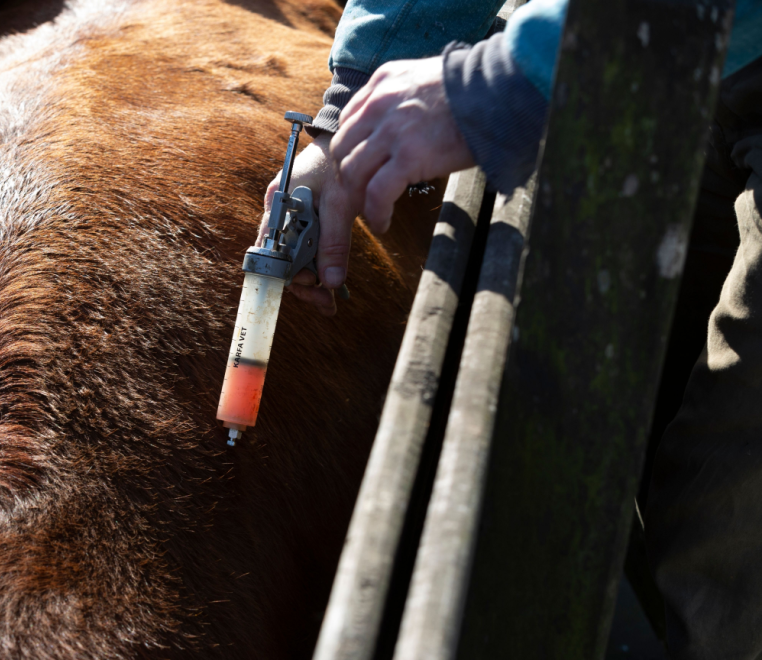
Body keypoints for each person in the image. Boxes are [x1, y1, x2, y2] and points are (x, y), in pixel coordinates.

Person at [268, 0, 762, 657]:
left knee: (724, 510)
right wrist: (350, 105)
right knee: (659, 438)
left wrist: (515, 77)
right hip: (678, 55)